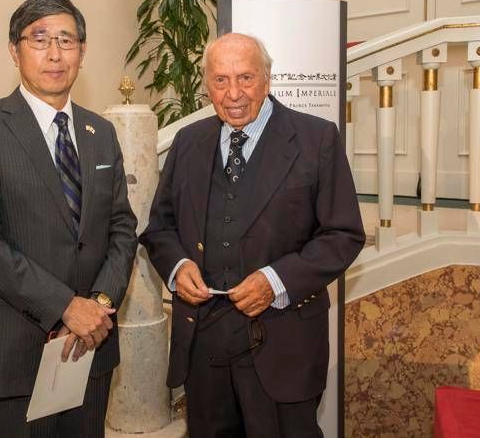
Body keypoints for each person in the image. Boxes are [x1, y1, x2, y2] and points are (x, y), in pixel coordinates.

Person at [140, 33, 365, 437]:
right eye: (221, 80)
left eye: (245, 78)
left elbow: (343, 235)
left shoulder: (317, 139)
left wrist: (274, 280)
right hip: (204, 344)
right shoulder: (188, 142)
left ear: (267, 79)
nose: (234, 94)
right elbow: (160, 226)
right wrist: (178, 266)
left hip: (285, 344)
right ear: (206, 85)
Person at [0, 0, 138, 438]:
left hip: (93, 344)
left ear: (82, 52)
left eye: (66, 40)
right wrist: (65, 307)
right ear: (14, 51)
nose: (55, 53)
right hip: (20, 347)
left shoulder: (100, 131)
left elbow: (122, 227)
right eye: (39, 39)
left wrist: (101, 306)